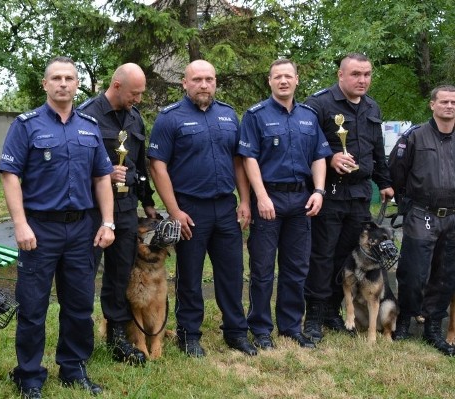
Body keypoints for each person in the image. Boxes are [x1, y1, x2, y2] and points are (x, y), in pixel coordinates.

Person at [0, 56, 115, 399]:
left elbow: (102, 178)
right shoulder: (27, 125)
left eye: (69, 78)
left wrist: (107, 221)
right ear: (45, 84)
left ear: (77, 85)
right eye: (56, 78)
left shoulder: (90, 127)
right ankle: (29, 376)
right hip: (39, 229)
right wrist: (20, 224)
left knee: (79, 304)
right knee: (33, 306)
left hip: (82, 229)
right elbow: (9, 176)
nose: (63, 83)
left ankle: (73, 367)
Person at [148, 59, 256, 358]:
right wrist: (174, 211)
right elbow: (158, 166)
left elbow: (238, 161)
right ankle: (189, 334)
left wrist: (245, 201)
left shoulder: (228, 115)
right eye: (197, 79)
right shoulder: (170, 118)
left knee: (232, 273)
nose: (204, 85)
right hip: (189, 210)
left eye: (209, 79)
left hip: (225, 207)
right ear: (185, 83)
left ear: (216, 82)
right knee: (190, 276)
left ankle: (236, 332)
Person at [239, 59, 331, 349]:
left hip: (302, 199)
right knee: (263, 269)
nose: (283, 81)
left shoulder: (309, 116)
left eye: (288, 76)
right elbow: (248, 158)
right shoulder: (255, 116)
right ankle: (261, 329)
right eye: (277, 76)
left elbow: (319, 156)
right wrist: (261, 196)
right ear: (269, 81)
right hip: (269, 199)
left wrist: (318, 191)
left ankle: (291, 326)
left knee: (296, 268)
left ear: (297, 80)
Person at [302, 53, 394, 343]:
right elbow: (302, 145)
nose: (362, 80)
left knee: (348, 258)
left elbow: (377, 149)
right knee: (322, 256)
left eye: (367, 74)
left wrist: (386, 183)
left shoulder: (371, 106)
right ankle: (315, 317)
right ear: (340, 75)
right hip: (328, 192)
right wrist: (330, 158)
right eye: (355, 74)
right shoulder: (318, 104)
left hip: (360, 195)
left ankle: (333, 311)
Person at [77, 63, 158, 366]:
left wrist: (148, 202)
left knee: (120, 274)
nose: (138, 98)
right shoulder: (86, 115)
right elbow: (72, 160)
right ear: (116, 85)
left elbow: (139, 165)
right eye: (134, 93)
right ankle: (79, 338)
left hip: (125, 209)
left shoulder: (135, 118)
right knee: (83, 275)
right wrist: (103, 172)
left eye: (141, 93)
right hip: (91, 209)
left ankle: (117, 337)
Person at [388, 85, 455, 356]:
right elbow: (396, 171)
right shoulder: (415, 136)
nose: (449, 106)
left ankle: (432, 328)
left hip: (452, 216)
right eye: (444, 102)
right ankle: (404, 320)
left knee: (445, 275)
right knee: (414, 272)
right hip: (422, 213)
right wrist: (407, 203)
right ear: (432, 105)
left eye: (453, 102)